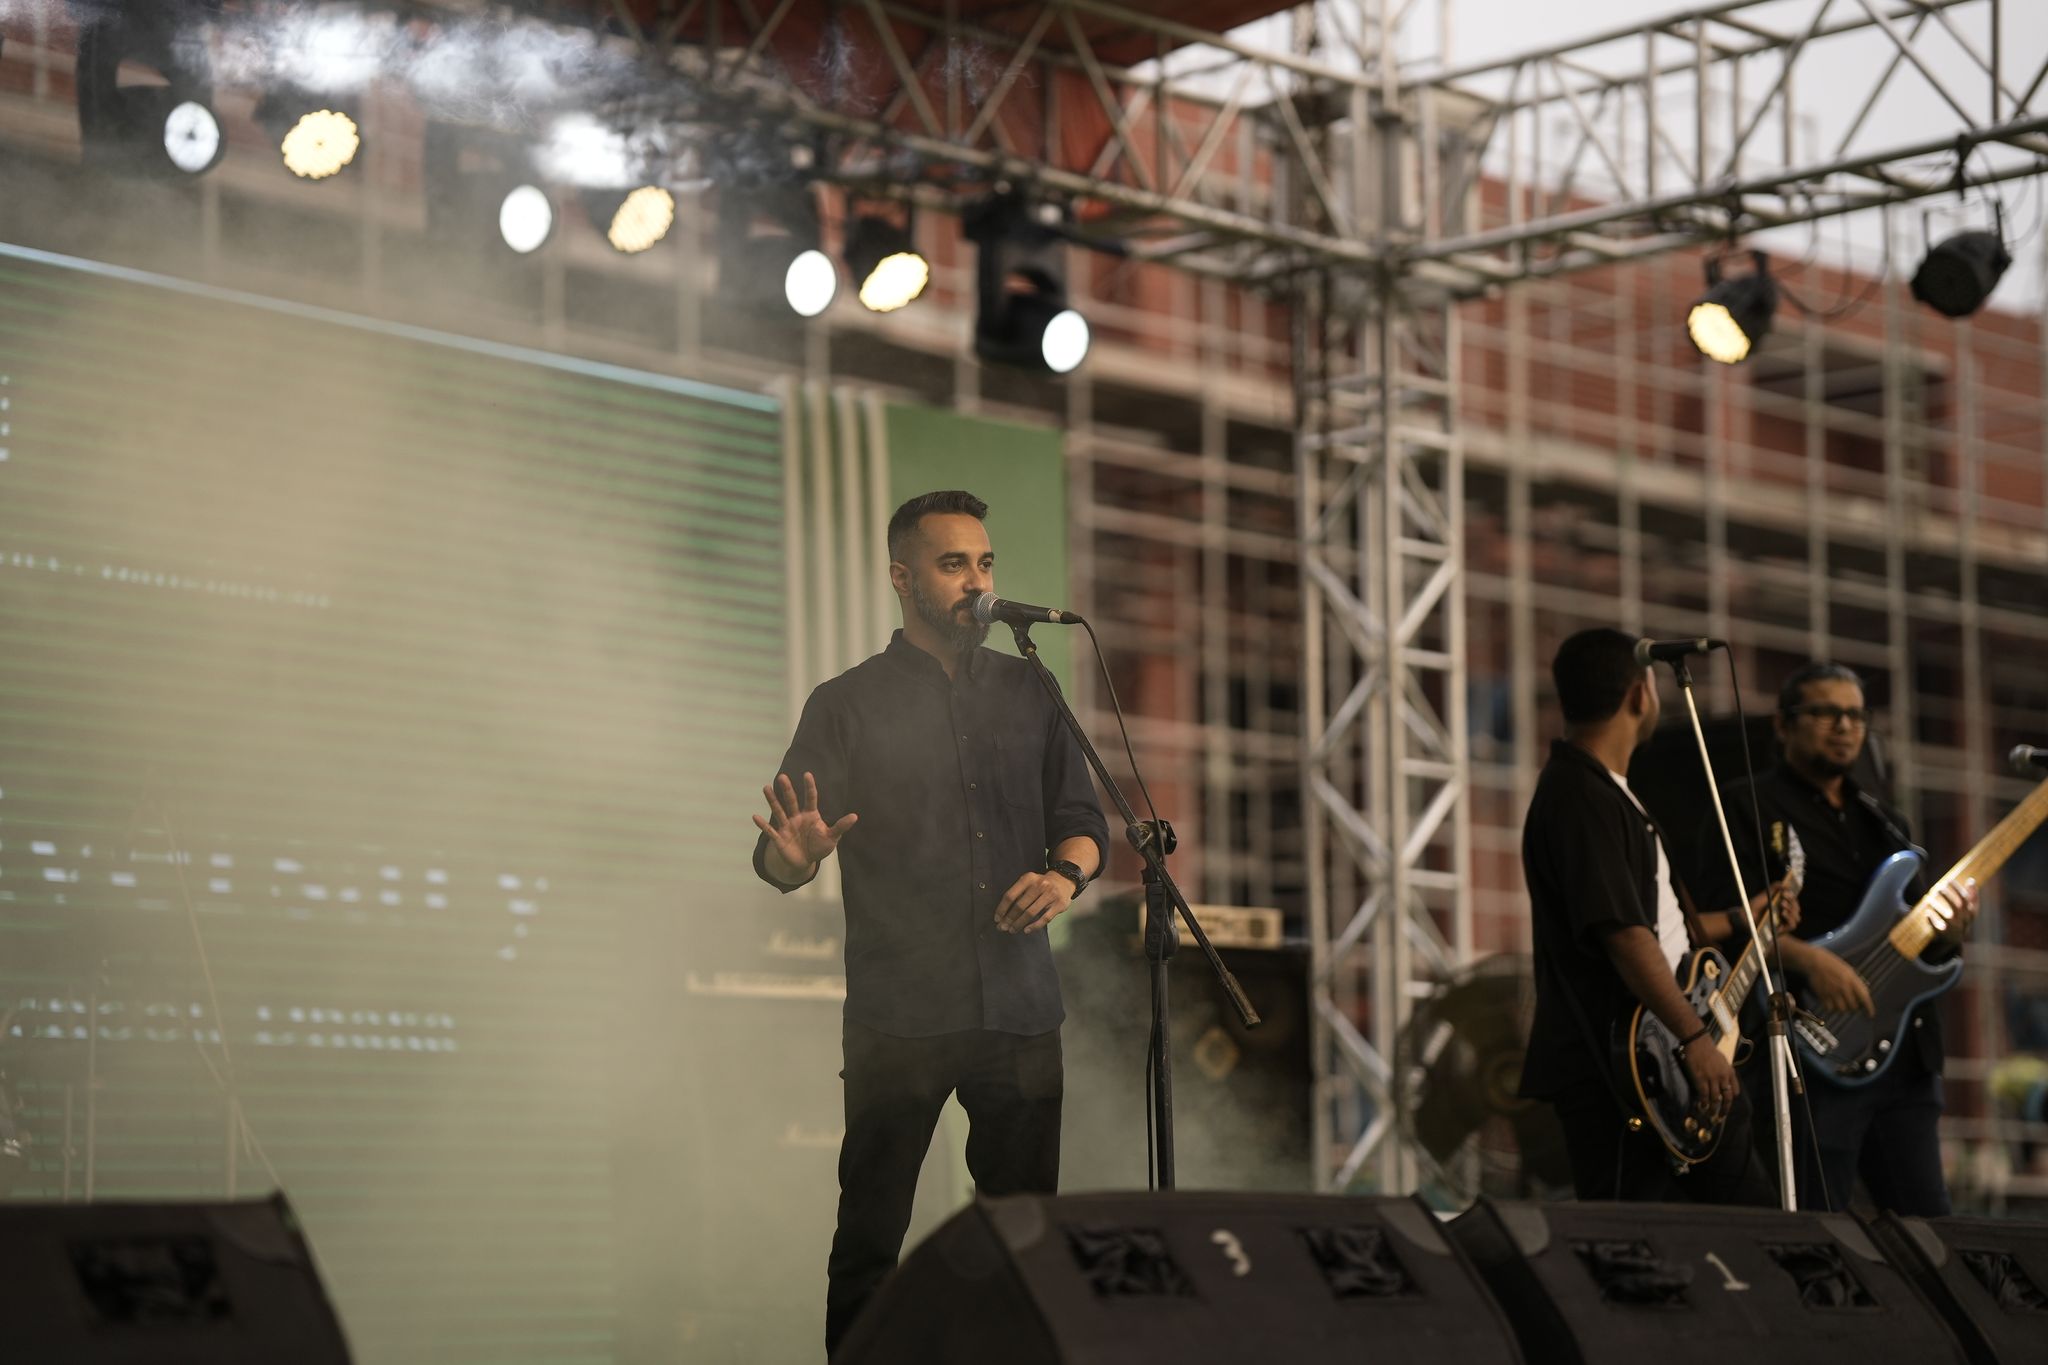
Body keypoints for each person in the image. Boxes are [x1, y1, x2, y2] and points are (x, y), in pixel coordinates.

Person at [749, 489, 1108, 1356]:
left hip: (1020, 1011)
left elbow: (1086, 824)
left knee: (1028, 1246)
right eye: (954, 565)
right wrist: (794, 859)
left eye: (985, 563)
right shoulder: (846, 702)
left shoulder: (1034, 688)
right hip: (898, 1014)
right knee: (870, 1244)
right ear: (903, 578)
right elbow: (780, 854)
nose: (976, 582)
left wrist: (1065, 875)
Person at [1692, 661, 1977, 1215]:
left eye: (1855, 715)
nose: (1844, 726)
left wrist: (1950, 934)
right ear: (1784, 725)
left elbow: (1921, 941)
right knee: (1820, 1224)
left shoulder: (1887, 822)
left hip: (1903, 1055)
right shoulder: (1744, 805)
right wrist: (1810, 961)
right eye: (1825, 713)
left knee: (1928, 1231)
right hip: (1810, 1051)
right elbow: (1718, 925)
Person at [1518, 627, 1775, 1204]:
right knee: (1644, 1242)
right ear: (1641, 695)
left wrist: (1746, 917)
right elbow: (1624, 934)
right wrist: (1693, 1038)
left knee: (1744, 1224)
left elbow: (1666, 933)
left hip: (1662, 1060)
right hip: (1627, 1069)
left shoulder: (1610, 794)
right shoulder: (1578, 794)